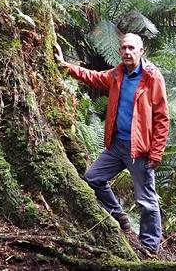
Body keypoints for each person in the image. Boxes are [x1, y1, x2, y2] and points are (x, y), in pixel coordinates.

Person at [54, 33, 169, 254]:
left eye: (132, 48)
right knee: (93, 178)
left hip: (139, 151)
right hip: (116, 146)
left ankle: (150, 247)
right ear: (119, 51)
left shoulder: (152, 77)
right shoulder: (117, 74)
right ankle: (119, 215)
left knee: (146, 200)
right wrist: (64, 66)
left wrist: (156, 152)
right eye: (124, 48)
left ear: (141, 51)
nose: (127, 52)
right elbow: (94, 77)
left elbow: (162, 117)